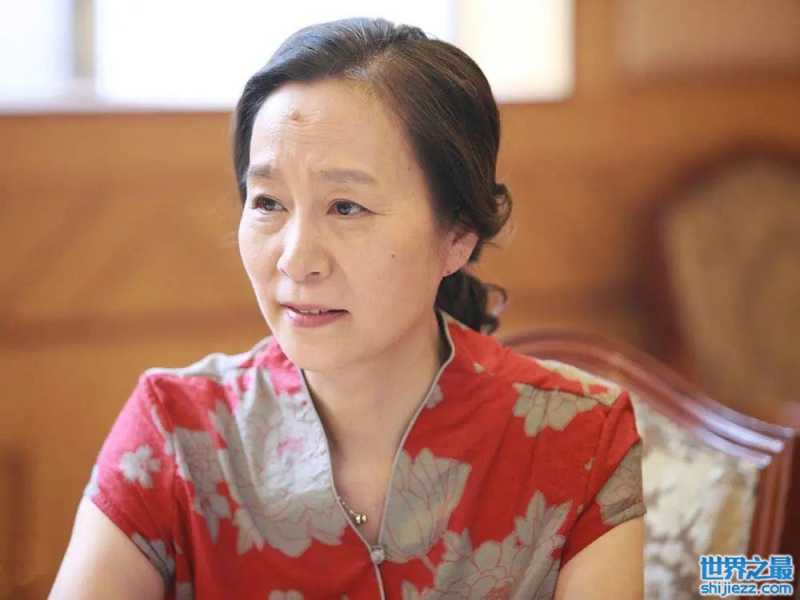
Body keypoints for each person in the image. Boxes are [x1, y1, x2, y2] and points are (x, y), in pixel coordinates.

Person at [50, 17, 645, 600]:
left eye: (346, 207)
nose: (296, 260)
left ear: (458, 235)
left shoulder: (580, 438)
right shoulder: (177, 435)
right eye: (268, 203)